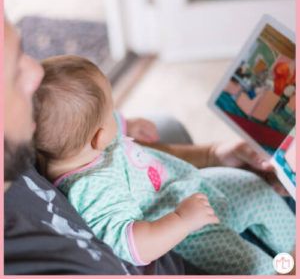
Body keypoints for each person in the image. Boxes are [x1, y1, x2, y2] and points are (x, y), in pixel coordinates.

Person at [33, 54, 295, 275]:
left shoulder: (77, 146)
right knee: (253, 266)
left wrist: (126, 124)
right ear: (99, 137)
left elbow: (96, 121)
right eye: (111, 111)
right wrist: (182, 220)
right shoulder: (92, 188)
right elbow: (132, 244)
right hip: (187, 230)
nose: (116, 114)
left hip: (188, 184)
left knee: (255, 187)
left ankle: (291, 244)